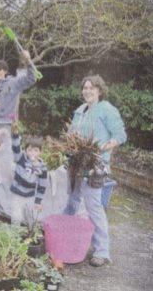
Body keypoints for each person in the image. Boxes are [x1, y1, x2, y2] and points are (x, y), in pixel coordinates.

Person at [64, 75, 126, 267]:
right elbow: (71, 135)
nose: (87, 91)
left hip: (95, 166)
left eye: (92, 88)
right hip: (76, 164)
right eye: (85, 88)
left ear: (99, 90)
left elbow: (120, 135)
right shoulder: (80, 111)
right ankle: (63, 235)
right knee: (72, 202)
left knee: (94, 207)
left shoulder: (107, 109)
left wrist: (103, 147)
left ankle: (102, 251)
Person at [9, 126, 47, 226]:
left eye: (35, 150)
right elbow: (16, 148)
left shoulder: (42, 168)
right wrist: (16, 134)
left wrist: (38, 201)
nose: (32, 153)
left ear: (40, 152)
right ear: (25, 150)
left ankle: (30, 233)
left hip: (30, 195)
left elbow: (42, 186)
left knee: (31, 216)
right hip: (17, 192)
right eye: (30, 150)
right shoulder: (20, 158)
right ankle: (14, 233)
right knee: (16, 216)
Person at [0, 49, 37, 121]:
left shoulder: (14, 82)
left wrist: (28, 60)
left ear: (5, 71)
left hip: (5, 122)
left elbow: (31, 79)